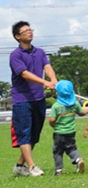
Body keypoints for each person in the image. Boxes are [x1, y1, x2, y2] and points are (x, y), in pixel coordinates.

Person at [10, 21, 57, 177]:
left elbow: (47, 67)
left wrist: (53, 80)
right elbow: (24, 73)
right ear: (18, 36)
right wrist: (44, 82)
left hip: (38, 99)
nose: (30, 32)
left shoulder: (40, 52)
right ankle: (31, 167)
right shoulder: (15, 55)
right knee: (24, 133)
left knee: (34, 135)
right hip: (22, 100)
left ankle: (19, 166)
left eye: (31, 30)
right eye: (25, 31)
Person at [49, 80, 87, 175]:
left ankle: (58, 170)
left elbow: (52, 120)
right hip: (71, 132)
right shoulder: (75, 104)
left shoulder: (56, 106)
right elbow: (81, 113)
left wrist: (53, 125)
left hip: (59, 133)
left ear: (58, 93)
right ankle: (78, 159)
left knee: (57, 151)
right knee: (71, 149)